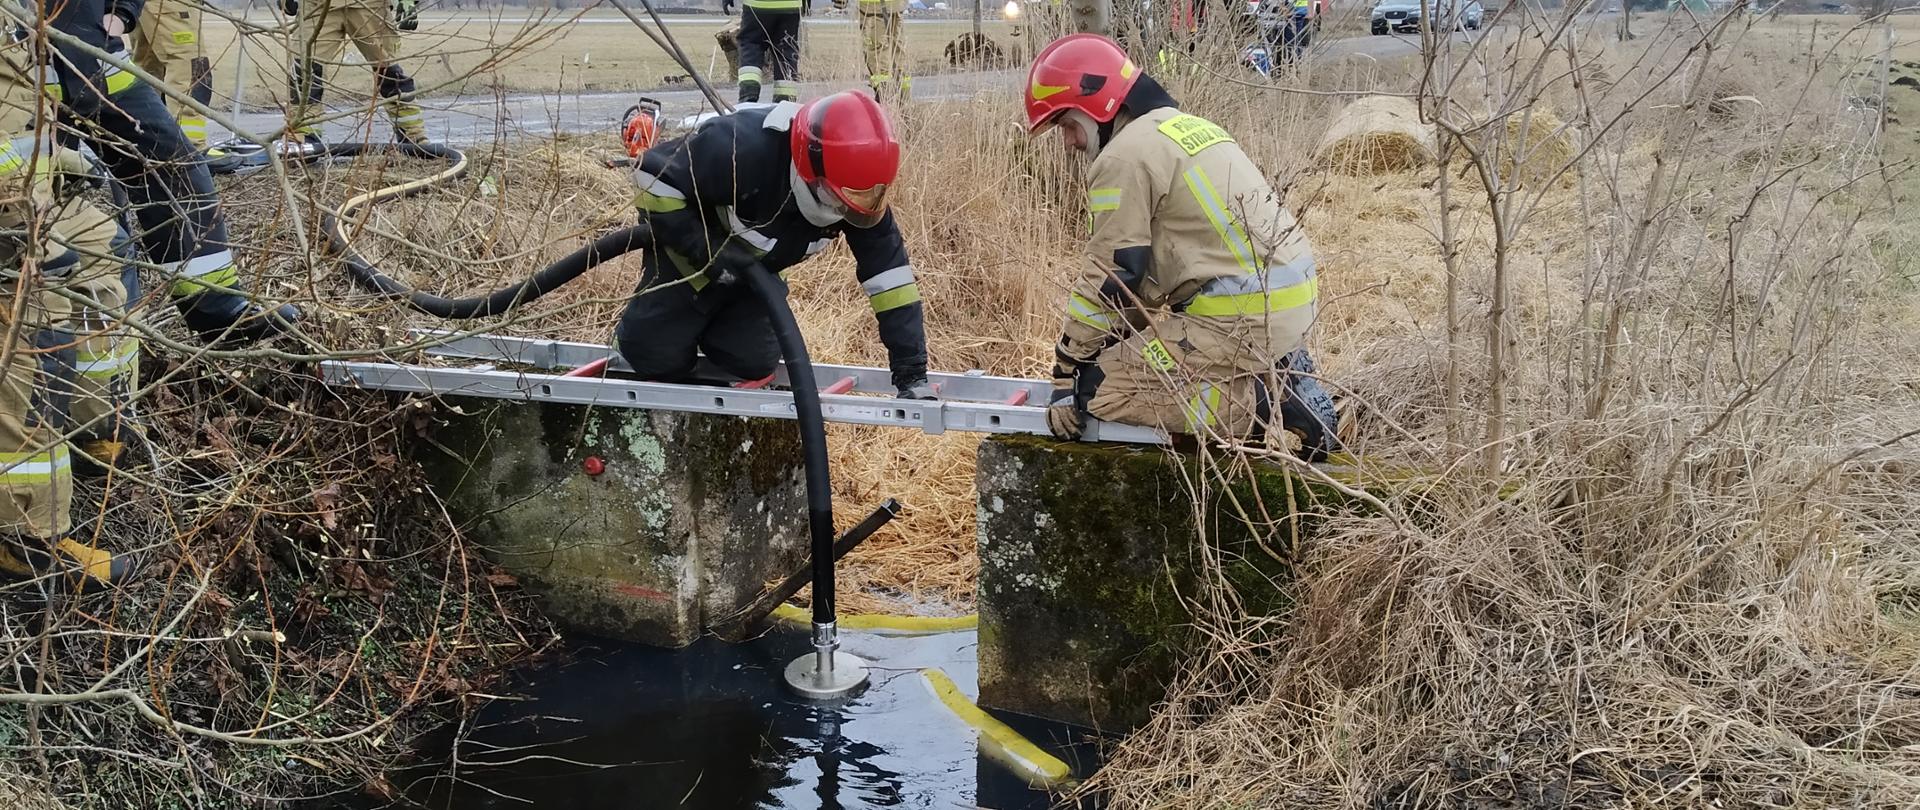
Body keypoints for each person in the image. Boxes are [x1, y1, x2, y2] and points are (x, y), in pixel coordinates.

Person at [1022, 34, 1341, 459]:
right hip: (1286, 303)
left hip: (1236, 317)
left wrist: (1067, 368)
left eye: (1066, 124)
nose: (1068, 141)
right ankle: (1276, 368)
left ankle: (1268, 406)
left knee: (1100, 389)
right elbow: (1145, 279)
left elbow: (1112, 273)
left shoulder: (1121, 158)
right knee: (1124, 356)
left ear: (1096, 105)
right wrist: (1113, 337)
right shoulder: (1184, 127)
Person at [620, 90, 933, 400]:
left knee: (749, 361)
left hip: (756, 278)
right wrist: (709, 252)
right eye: (841, 201)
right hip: (690, 264)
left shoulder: (854, 195)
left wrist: (911, 371)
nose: (845, 214)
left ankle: (713, 333)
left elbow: (892, 282)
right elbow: (652, 177)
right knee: (654, 358)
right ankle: (658, 333)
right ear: (812, 171)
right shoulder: (741, 146)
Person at [38, 0, 303, 347]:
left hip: (98, 58)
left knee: (176, 168)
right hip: (20, 75)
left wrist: (122, 13)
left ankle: (216, 308)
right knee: (44, 213)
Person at [0, 37, 143, 591]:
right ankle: (24, 537)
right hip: (11, 210)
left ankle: (92, 430)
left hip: (33, 186)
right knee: (39, 305)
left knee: (105, 243)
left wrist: (62, 158)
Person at [278, 0, 430, 154]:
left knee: (389, 72)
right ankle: (303, 139)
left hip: (370, 4)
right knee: (305, 71)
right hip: (317, 5)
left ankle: (413, 137)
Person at [129, 0, 211, 150]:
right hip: (167, 3)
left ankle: (149, 145)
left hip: (147, 4)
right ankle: (191, 148)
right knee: (189, 65)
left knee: (149, 67)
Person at [726, 0, 801, 103]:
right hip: (791, 6)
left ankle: (748, 94)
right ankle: (785, 100)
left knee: (751, 45)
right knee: (785, 50)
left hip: (756, 5)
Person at [843, 0, 908, 101]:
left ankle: (885, 99)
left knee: (877, 53)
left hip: (873, 6)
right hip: (896, 5)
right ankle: (903, 104)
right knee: (897, 53)